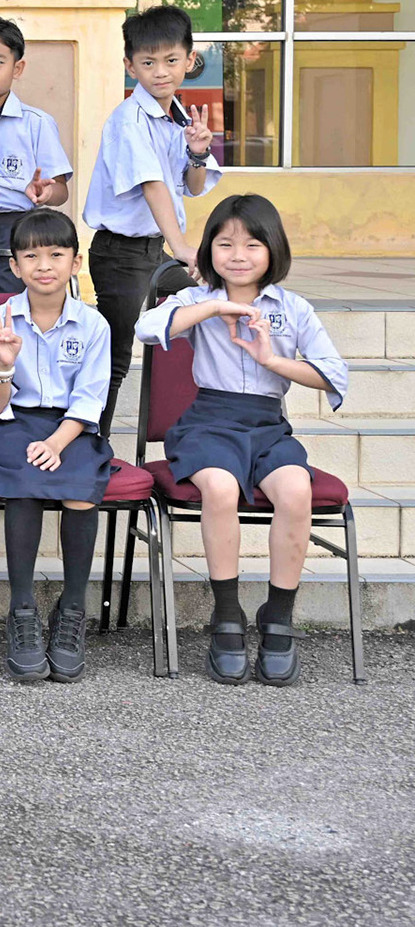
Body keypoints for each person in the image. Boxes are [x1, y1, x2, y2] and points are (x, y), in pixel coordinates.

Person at [136, 194, 346, 687]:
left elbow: (334, 374)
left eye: (252, 244)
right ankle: (227, 614)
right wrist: (211, 307)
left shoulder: (293, 307)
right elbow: (147, 328)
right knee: (220, 488)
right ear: (209, 250)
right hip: (208, 423)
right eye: (225, 244)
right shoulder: (197, 298)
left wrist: (272, 361)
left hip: (268, 426)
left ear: (273, 249)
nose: (238, 255)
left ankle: (278, 616)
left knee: (295, 491)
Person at [0, 209, 114, 683]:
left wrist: (56, 440)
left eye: (56, 254)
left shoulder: (94, 325)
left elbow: (90, 399)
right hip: (13, 424)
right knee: (25, 486)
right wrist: (5, 364)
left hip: (72, 428)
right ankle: (22, 610)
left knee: (80, 491)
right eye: (31, 256)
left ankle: (72, 610)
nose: (44, 265)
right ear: (15, 266)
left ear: (76, 262)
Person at [85, 5, 222, 433]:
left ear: (189, 60)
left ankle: (201, 428)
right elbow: (153, 186)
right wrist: (183, 248)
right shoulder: (129, 119)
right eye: (148, 63)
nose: (160, 72)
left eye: (170, 60)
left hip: (154, 253)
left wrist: (198, 152)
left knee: (209, 310)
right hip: (120, 255)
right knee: (114, 359)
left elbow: (192, 186)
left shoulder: (178, 117)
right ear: (130, 66)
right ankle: (90, 446)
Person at [0, 15, 73, 294]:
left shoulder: (36, 123)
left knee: (3, 304)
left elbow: (61, 190)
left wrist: (46, 193)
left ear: (17, 68)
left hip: (12, 227)